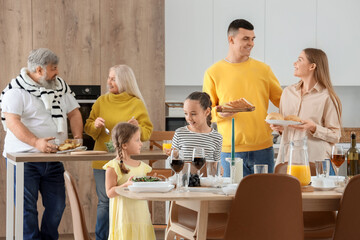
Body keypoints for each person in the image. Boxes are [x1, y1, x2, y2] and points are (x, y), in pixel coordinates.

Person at [0, 48, 83, 240]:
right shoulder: (16, 90)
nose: (57, 72)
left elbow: (74, 113)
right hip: (23, 159)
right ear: (39, 70)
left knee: (57, 205)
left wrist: (77, 139)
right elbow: (12, 121)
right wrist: (36, 142)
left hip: (53, 157)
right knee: (25, 209)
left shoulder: (59, 85)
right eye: (53, 68)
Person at [203, 19, 283, 177]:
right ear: (231, 39)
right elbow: (205, 113)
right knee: (233, 200)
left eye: (253, 39)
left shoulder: (263, 70)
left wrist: (283, 121)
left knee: (265, 199)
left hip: (263, 149)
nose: (251, 43)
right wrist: (220, 113)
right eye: (245, 38)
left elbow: (284, 102)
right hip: (229, 151)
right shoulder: (213, 73)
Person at [84, 64, 153, 240]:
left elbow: (146, 132)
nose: (109, 81)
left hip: (128, 161)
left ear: (123, 81)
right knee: (105, 202)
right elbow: (89, 129)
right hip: (103, 162)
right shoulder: (101, 101)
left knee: (126, 201)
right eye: (109, 77)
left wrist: (138, 128)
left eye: (113, 78)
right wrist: (95, 125)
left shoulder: (136, 103)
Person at [271, 48, 342, 165]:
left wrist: (313, 127)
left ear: (312, 66)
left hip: (315, 162)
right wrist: (280, 128)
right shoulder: (288, 93)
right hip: (288, 160)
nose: (295, 63)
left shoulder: (327, 97)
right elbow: (287, 129)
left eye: (300, 60)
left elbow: (335, 136)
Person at [103, 122, 155, 240]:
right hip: (124, 219)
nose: (141, 144)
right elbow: (109, 193)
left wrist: (153, 181)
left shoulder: (142, 166)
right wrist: (125, 186)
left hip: (142, 217)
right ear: (125, 145)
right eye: (137, 140)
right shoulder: (113, 166)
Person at [170, 91, 223, 166]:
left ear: (207, 112)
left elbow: (216, 164)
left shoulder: (217, 137)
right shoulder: (179, 133)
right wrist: (174, 156)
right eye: (186, 113)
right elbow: (172, 163)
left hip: (206, 177)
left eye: (193, 114)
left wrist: (219, 169)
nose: (189, 118)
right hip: (185, 177)